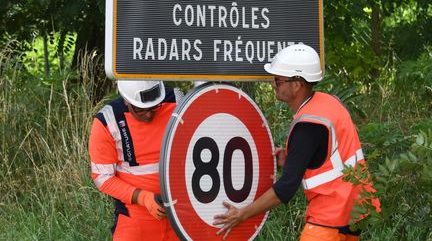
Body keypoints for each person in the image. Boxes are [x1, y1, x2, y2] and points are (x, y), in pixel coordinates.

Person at [213, 44, 381, 241]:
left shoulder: (307, 125)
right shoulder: (328, 103)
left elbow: (286, 188)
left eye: (278, 80)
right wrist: (292, 158)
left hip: (330, 215)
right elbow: (330, 155)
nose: (273, 84)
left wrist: (242, 214)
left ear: (297, 84)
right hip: (356, 211)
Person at [89, 80, 183, 241]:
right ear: (126, 100)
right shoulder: (108, 121)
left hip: (181, 213)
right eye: (140, 109)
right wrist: (143, 197)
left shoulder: (178, 101)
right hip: (135, 216)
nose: (149, 114)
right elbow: (102, 177)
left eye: (154, 107)